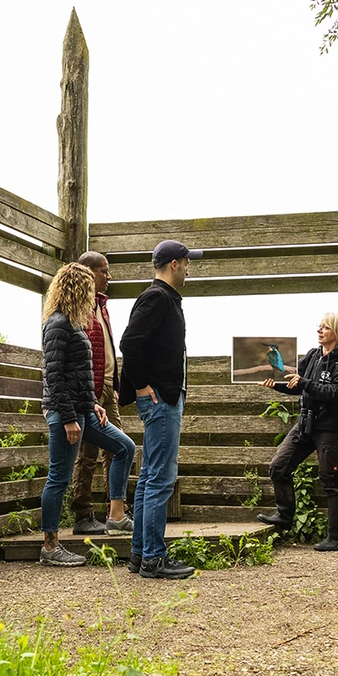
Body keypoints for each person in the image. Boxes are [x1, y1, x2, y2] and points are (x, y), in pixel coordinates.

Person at [38, 263, 137, 567]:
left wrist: (93, 402)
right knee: (59, 477)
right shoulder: (57, 324)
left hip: (84, 411)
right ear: (77, 288)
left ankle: (116, 516)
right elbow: (54, 376)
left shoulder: (75, 323)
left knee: (124, 447)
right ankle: (50, 546)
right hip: (64, 414)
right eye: (89, 287)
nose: (95, 290)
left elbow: (78, 373)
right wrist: (69, 418)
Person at [119, 240, 203, 580]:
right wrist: (142, 385)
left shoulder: (165, 299)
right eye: (186, 263)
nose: (189, 269)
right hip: (160, 399)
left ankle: (140, 555)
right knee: (160, 478)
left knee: (150, 477)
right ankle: (154, 557)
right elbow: (129, 342)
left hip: (164, 397)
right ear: (174, 265)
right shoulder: (157, 297)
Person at [256, 313, 338, 551]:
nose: (319, 330)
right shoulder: (312, 356)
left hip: (330, 428)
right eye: (319, 327)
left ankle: (335, 539)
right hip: (305, 423)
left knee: (330, 479)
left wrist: (303, 383)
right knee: (279, 466)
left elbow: (336, 393)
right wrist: (277, 385)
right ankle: (284, 516)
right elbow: (297, 385)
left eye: (325, 327)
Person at [68, 251, 132, 535]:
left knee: (119, 447)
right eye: (104, 271)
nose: (109, 277)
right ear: (89, 272)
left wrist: (114, 388)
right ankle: (82, 513)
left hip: (108, 388)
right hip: (89, 392)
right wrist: (87, 396)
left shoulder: (101, 305)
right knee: (88, 453)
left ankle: (117, 511)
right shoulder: (76, 308)